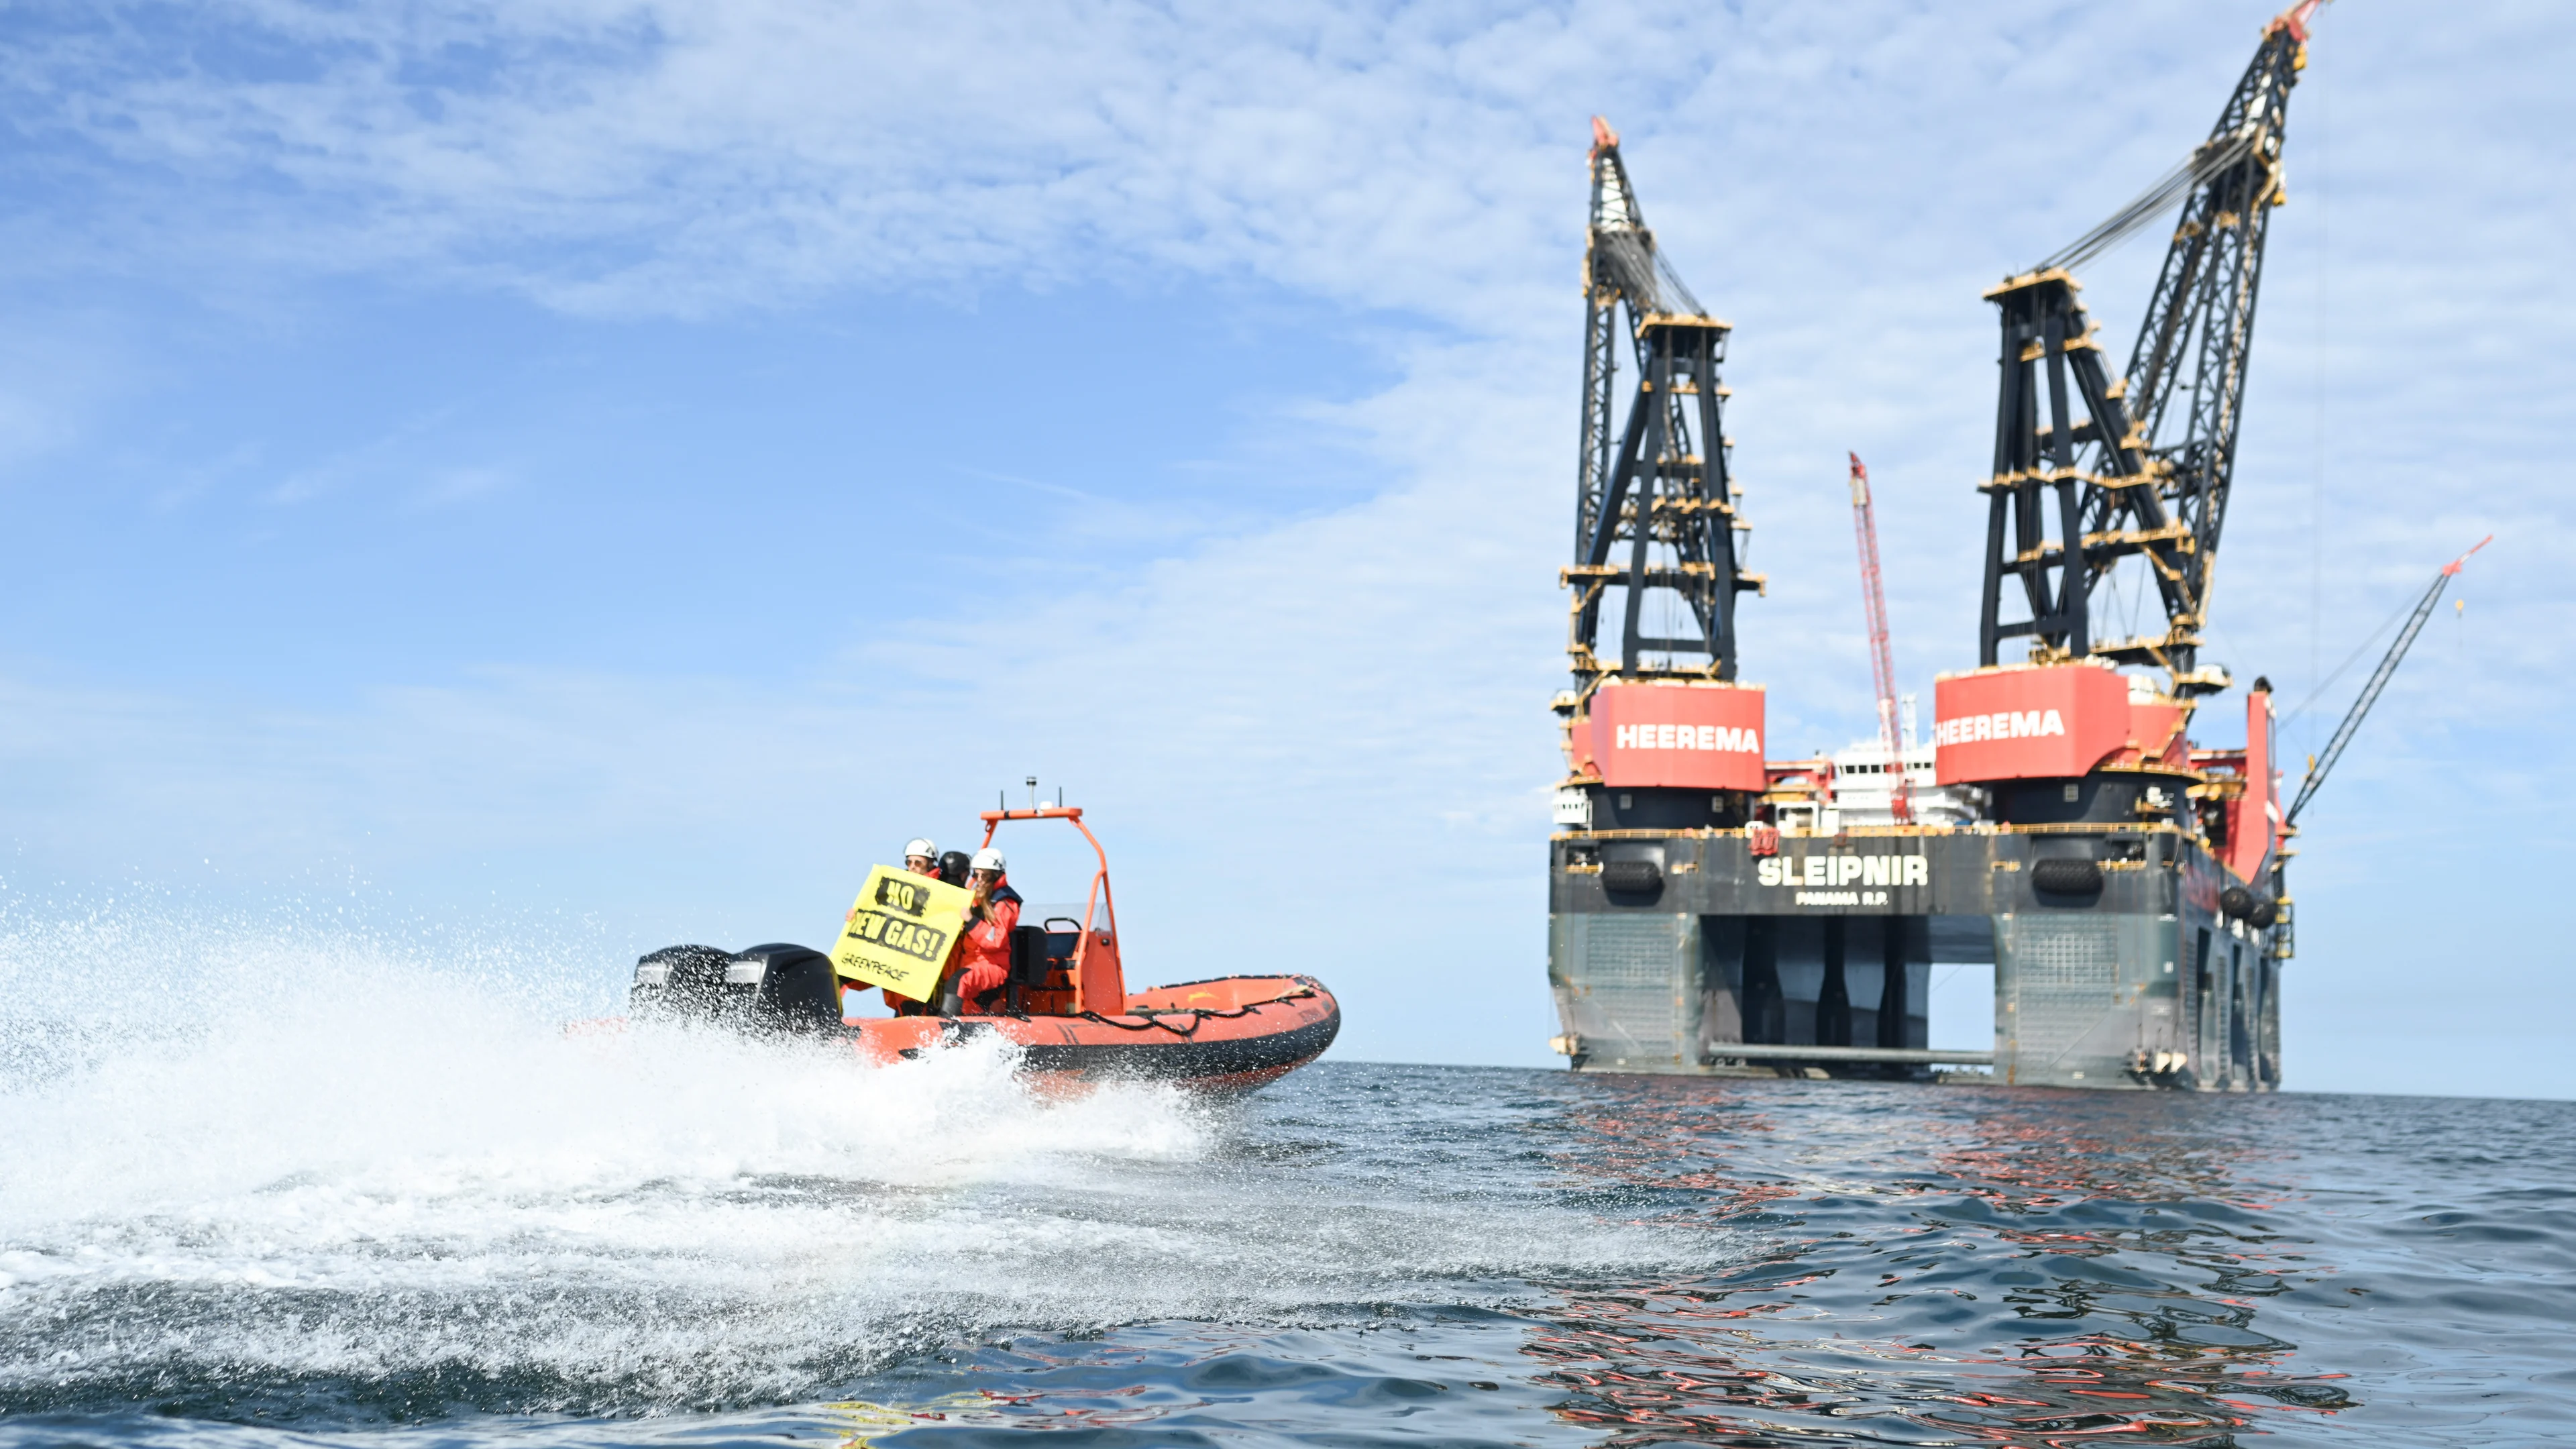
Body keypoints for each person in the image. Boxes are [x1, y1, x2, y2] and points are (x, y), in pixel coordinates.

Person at [944, 847, 1021, 1012]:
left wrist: (971, 921)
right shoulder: (974, 898)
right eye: (976, 875)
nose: (979, 880)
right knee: (958, 987)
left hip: (993, 965)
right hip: (971, 963)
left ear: (996, 875)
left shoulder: (1005, 903)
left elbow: (996, 940)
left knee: (959, 981)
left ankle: (945, 1024)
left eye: (984, 875)